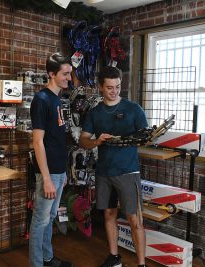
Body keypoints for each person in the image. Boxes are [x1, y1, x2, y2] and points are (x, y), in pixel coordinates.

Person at [79, 66, 147, 267]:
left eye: (117, 86)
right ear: (101, 87)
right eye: (109, 87)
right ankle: (114, 257)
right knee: (109, 214)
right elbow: (83, 141)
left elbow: (145, 136)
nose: (114, 91)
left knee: (135, 219)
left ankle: (141, 263)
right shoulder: (95, 113)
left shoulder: (134, 109)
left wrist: (137, 138)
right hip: (104, 172)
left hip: (128, 171)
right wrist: (97, 142)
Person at [29, 52, 73, 267]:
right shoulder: (41, 100)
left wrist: (62, 172)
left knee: (50, 217)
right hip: (47, 173)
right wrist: (46, 178)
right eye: (65, 74)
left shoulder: (57, 99)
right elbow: (38, 142)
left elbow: (56, 140)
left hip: (58, 171)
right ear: (51, 74)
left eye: (70, 74)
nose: (69, 78)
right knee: (40, 221)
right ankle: (37, 263)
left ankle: (47, 258)